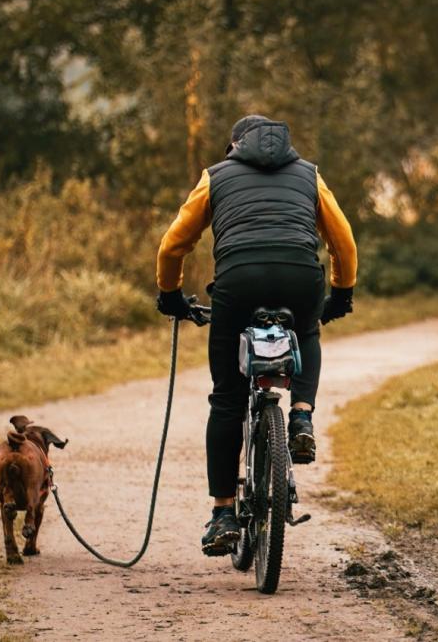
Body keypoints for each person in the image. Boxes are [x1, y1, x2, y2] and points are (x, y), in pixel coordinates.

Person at [155, 115, 357, 555]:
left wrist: (170, 295)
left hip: (239, 278)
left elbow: (173, 244)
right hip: (299, 276)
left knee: (227, 399)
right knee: (307, 330)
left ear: (234, 146)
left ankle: (223, 514)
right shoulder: (310, 174)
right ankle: (301, 416)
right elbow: (342, 240)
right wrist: (342, 292)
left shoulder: (215, 176)